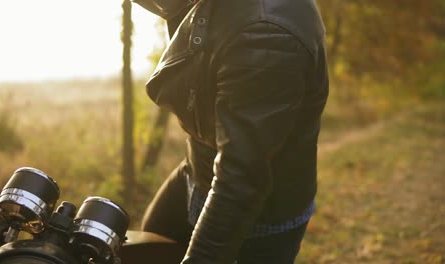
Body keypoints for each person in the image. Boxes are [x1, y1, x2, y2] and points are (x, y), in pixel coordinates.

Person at [133, 0, 329, 263]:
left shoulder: (266, 34)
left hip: (255, 211)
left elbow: (241, 179)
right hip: (199, 166)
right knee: (144, 250)